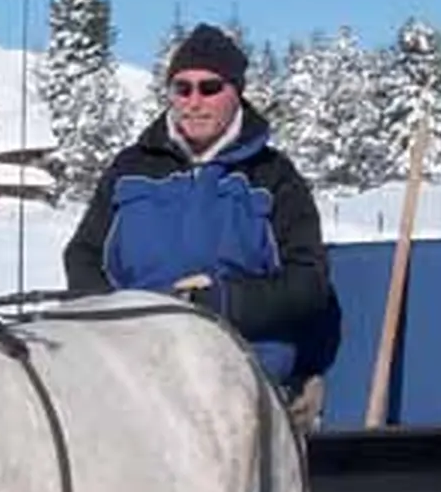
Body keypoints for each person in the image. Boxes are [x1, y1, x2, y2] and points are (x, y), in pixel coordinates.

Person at [62, 24, 339, 424]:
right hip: (133, 358)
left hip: (240, 366)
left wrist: (218, 304)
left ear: (236, 91)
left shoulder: (274, 177)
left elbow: (307, 284)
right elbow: (83, 255)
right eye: (182, 88)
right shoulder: (131, 168)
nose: (194, 101)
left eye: (209, 87)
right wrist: (118, 314)